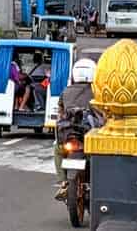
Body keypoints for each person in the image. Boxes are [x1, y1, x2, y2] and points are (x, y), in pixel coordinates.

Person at [54, 58, 99, 199]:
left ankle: (62, 183)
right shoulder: (97, 92)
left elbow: (60, 113)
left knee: (57, 149)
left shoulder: (65, 91)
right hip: (89, 136)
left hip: (68, 136)